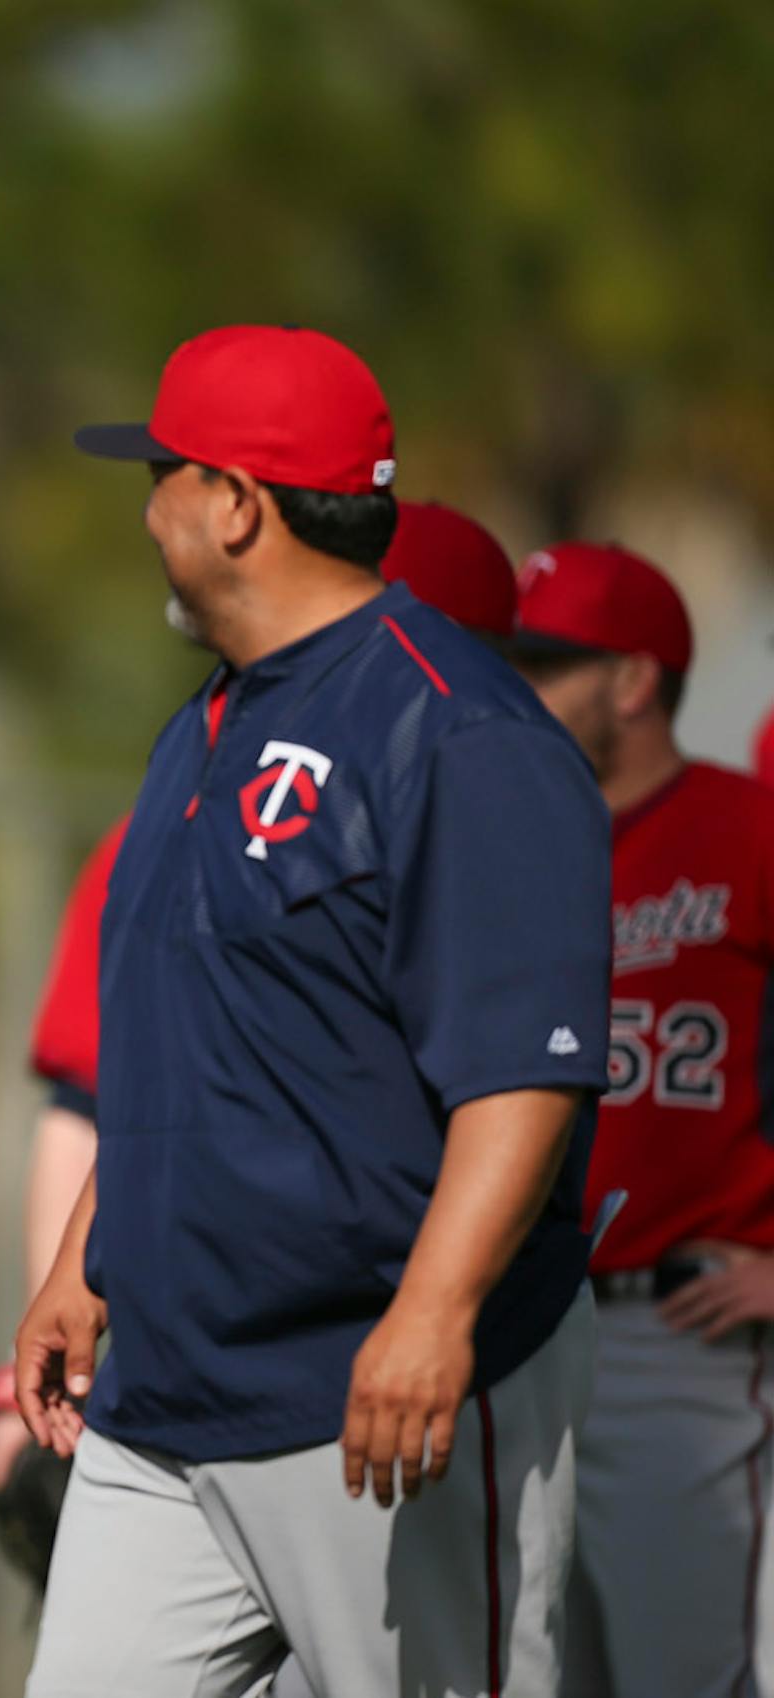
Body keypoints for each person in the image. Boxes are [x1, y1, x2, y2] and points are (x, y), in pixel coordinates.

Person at [13, 324, 613, 1696]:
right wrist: (83, 1258)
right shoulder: (201, 726)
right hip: (167, 1400)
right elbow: (198, 1038)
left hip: (376, 1392)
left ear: (236, 504)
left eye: (163, 472)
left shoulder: (459, 729)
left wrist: (436, 1310)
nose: (147, 505)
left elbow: (525, 1072)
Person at [0, 497, 522, 1573]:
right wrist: (66, 1302)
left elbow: (516, 1089)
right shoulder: (187, 780)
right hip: (204, 1362)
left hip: (434, 1347)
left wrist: (434, 1312)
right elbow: (102, 1102)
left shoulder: (497, 798)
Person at [506, 542, 774, 1698]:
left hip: (681, 1334)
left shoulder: (748, 830)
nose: (518, 686)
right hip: (517, 1340)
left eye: (547, 662)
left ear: (634, 680)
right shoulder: (505, 845)